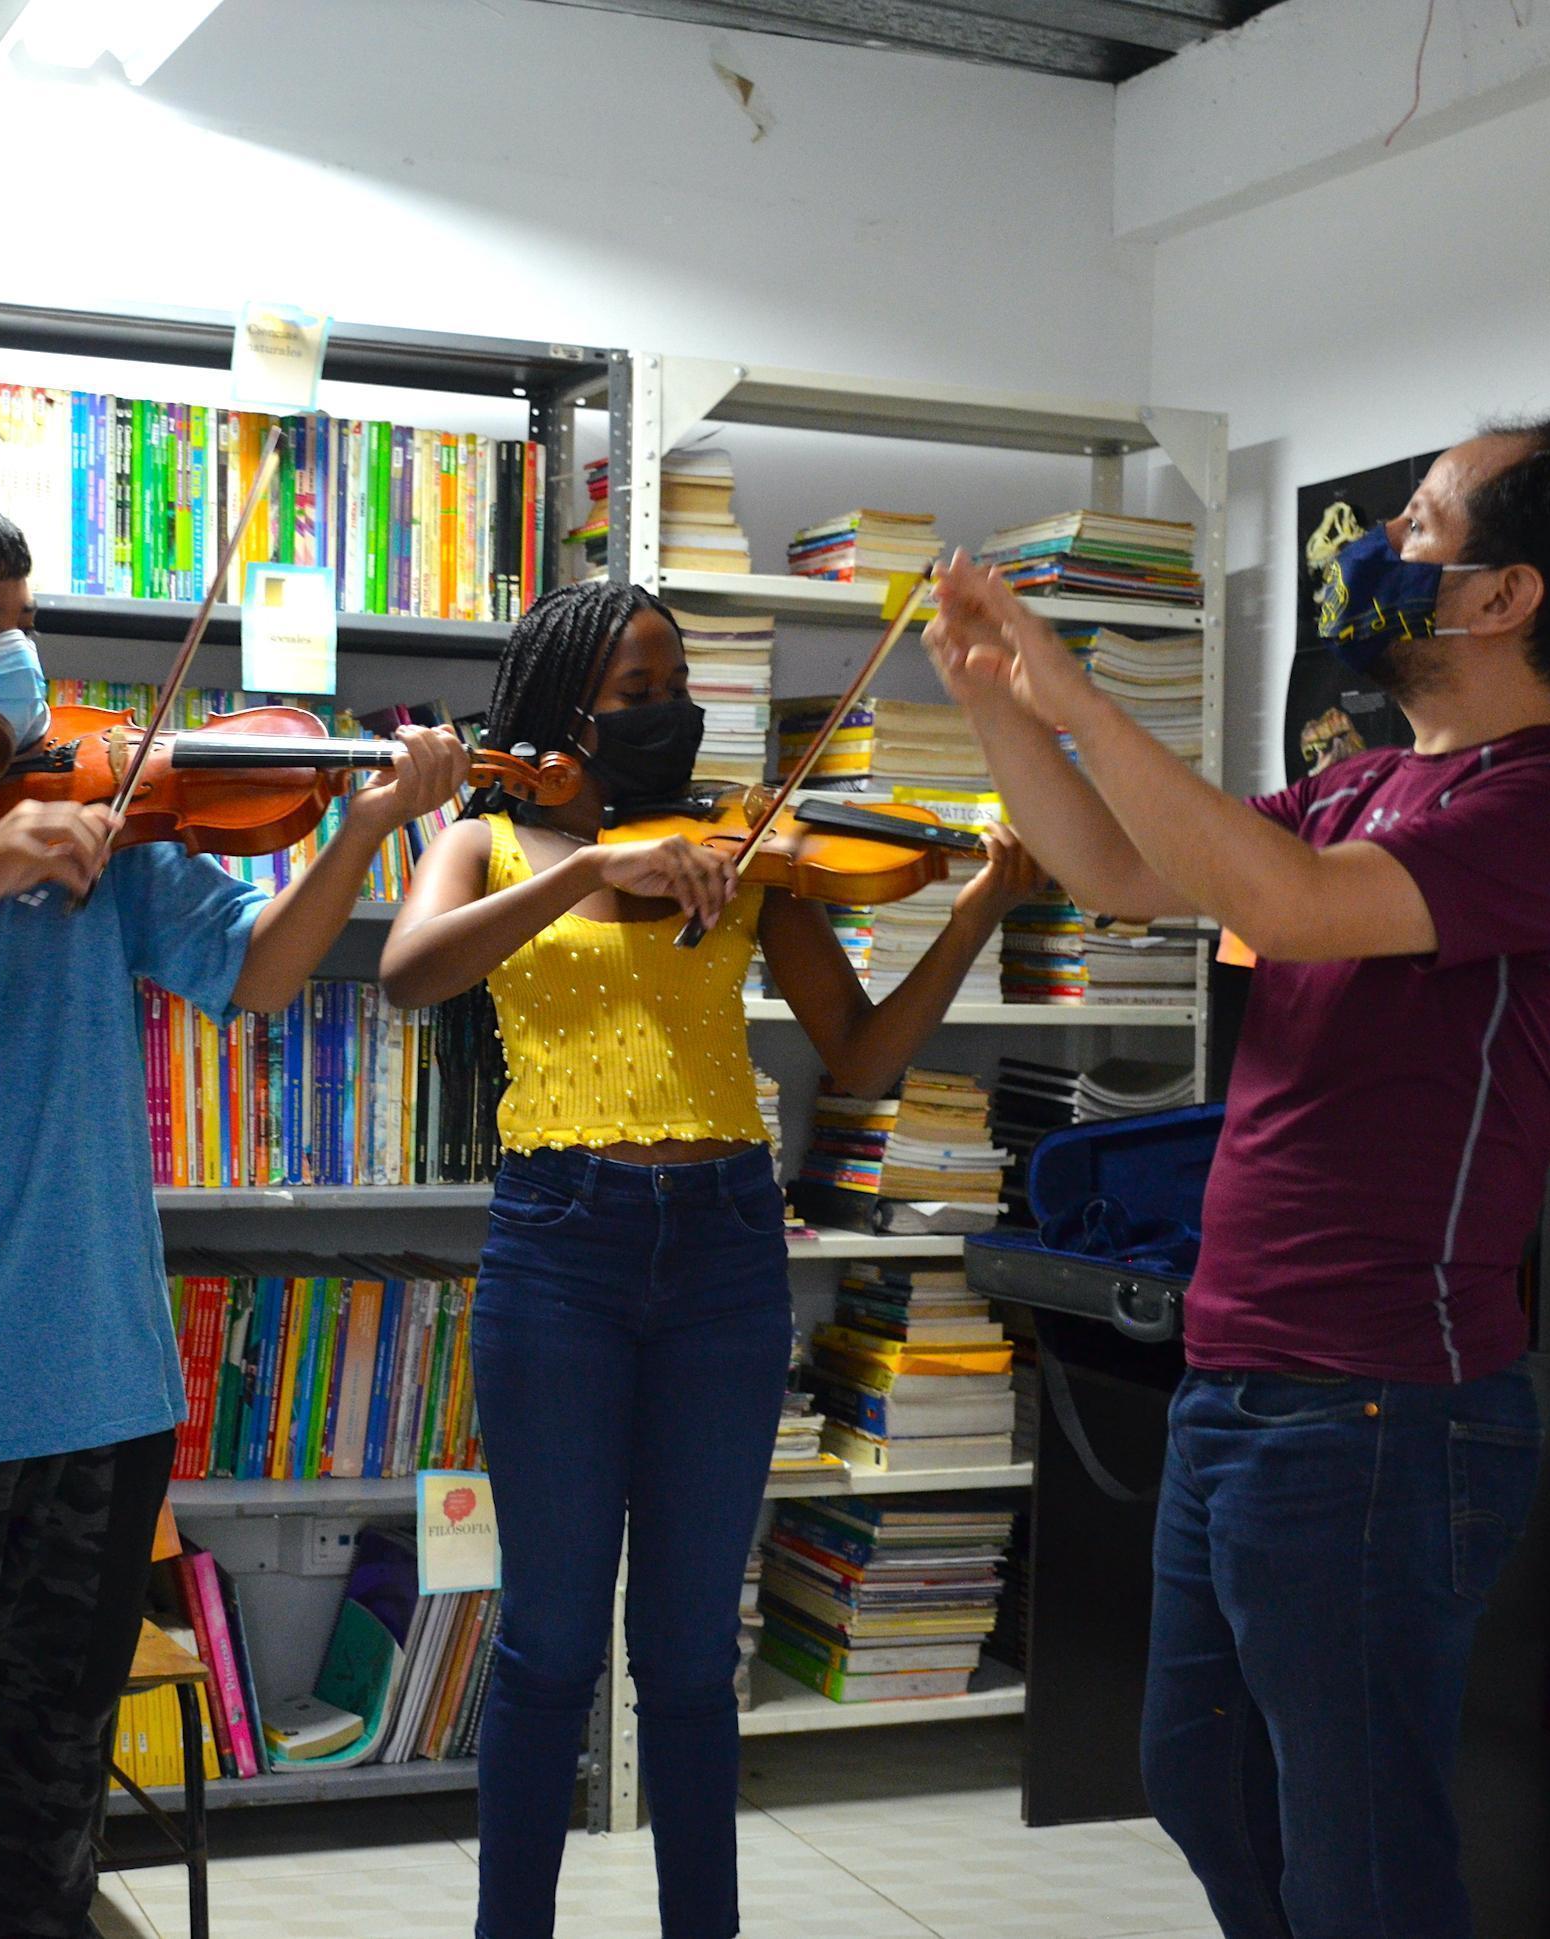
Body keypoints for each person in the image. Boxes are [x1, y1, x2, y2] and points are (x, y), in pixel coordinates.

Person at [919, 417, 1550, 1939]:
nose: (1375, 552)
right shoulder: (1362, 786)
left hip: (1382, 1405)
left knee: (1361, 1844)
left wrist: (1077, 681)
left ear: (1501, 595)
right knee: (1200, 1776)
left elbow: (1289, 909)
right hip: (1243, 1376)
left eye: (1418, 523)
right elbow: (1127, 874)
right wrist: (1001, 705)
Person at [0, 484, 469, 1939]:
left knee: (52, 1818)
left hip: (96, 1397)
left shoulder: (95, 817)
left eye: (25, 620)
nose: (19, 655)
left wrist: (363, 832)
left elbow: (258, 974)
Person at [377, 580, 1039, 1939]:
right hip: (559, 1247)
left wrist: (974, 914)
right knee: (551, 1642)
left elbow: (858, 1056)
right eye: (636, 687)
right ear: (566, 707)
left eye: (680, 682)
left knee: (687, 1658)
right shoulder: (492, 841)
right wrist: (584, 867)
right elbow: (408, 973)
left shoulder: (739, 849)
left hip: (729, 1250)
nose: (670, 709)